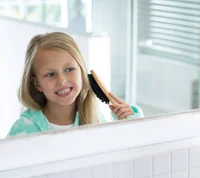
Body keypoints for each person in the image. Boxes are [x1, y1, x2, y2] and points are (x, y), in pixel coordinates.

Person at [8, 32, 142, 137]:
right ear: (37, 84)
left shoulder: (97, 121)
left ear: (82, 72)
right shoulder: (23, 130)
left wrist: (131, 123)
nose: (62, 80)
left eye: (68, 69)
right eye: (50, 74)